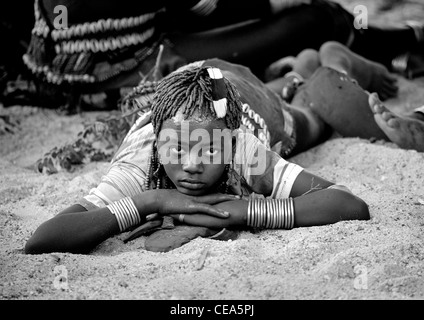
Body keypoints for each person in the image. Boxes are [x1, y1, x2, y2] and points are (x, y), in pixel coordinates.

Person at [24, 60, 371, 254]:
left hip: (248, 102)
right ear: (158, 142)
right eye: (177, 149)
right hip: (189, 87)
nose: (191, 164)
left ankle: (309, 72)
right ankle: (289, 74)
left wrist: (246, 210)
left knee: (309, 122)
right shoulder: (141, 163)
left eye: (208, 150)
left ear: (231, 144)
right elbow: (42, 239)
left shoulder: (244, 150)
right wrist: (152, 201)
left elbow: (348, 202)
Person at [19, 0, 424, 112]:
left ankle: (395, 45)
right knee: (313, 16)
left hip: (53, 69)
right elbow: (203, 7)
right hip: (139, 64)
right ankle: (399, 43)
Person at [270, 41, 424, 152]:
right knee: (322, 68)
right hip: (301, 110)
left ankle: (329, 74)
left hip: (285, 101)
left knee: (317, 66)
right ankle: (332, 74)